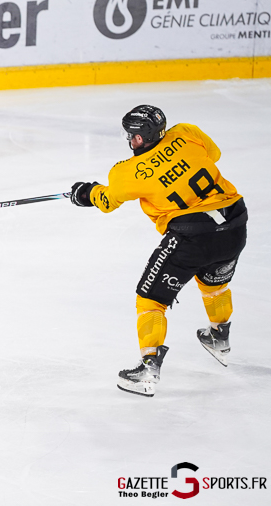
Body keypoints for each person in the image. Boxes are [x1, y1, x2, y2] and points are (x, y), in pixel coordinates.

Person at [71, 106, 247, 397]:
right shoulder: (186, 132)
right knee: (214, 281)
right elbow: (212, 155)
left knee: (150, 299)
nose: (130, 140)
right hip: (234, 224)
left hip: (192, 237)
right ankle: (219, 336)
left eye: (132, 135)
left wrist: (85, 193)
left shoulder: (128, 172)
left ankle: (148, 367)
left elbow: (106, 200)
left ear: (141, 138)